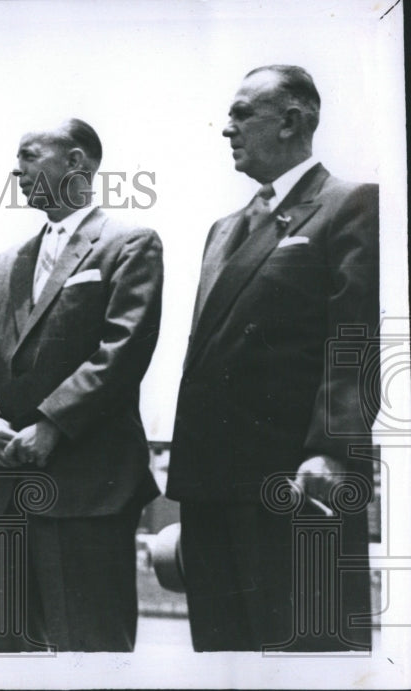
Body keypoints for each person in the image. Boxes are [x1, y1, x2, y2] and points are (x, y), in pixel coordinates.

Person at [167, 65, 379, 651]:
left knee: (304, 658)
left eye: (241, 114)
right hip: (211, 487)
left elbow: (354, 340)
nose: (226, 128)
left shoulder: (349, 204)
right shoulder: (223, 229)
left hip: (295, 480)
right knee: (222, 659)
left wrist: (332, 452)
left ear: (291, 120)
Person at [0, 119, 163, 652]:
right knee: (8, 654)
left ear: (76, 162)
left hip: (86, 488)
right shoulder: (7, 262)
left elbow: (123, 350)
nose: (15, 170)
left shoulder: (128, 244)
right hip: (7, 488)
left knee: (90, 651)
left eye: (29, 155)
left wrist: (52, 425)